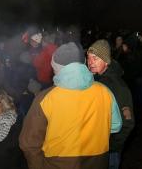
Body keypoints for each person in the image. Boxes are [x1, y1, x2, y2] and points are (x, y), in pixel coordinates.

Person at [19, 62, 122, 169]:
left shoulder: (47, 97)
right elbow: (115, 126)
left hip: (58, 163)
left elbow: (29, 142)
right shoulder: (104, 91)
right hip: (96, 161)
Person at [86, 39, 134, 169]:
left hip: (109, 150)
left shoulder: (118, 87)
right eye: (88, 58)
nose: (90, 62)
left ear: (106, 61)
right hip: (93, 146)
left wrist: (112, 147)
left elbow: (128, 123)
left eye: (95, 58)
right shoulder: (93, 79)